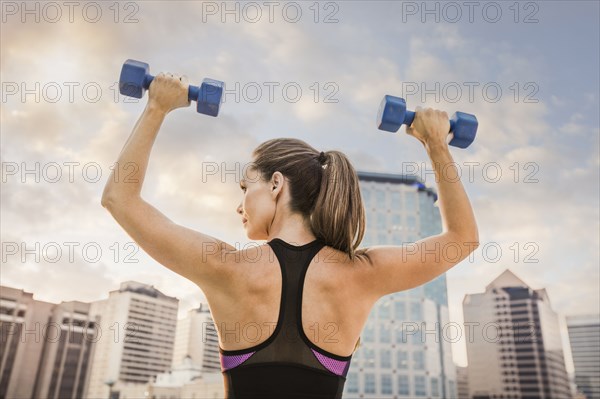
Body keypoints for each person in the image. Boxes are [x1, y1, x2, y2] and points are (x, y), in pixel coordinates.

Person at [101, 72, 480, 399]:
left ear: (276, 185)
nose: (240, 205)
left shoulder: (226, 266)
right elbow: (462, 238)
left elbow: (120, 199)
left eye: (245, 187)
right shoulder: (361, 272)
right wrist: (436, 145)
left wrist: (157, 107)